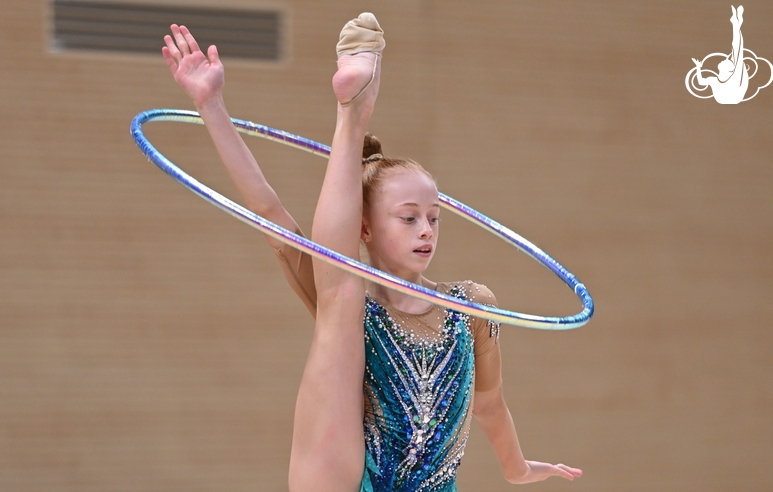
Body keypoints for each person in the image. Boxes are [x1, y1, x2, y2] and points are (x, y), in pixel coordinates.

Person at [162, 13, 582, 491]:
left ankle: (354, 106)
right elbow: (270, 215)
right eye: (409, 218)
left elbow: (489, 404)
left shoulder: (473, 305)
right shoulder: (346, 302)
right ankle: (353, 110)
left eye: (434, 217)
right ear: (363, 226)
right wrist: (211, 105)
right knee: (341, 294)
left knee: (342, 292)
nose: (426, 230)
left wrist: (518, 468)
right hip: (351, 477)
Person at [692, 5, 748, 104]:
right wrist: (698, 67)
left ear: (729, 69)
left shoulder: (732, 77)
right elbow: (701, 82)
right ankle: (736, 23)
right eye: (727, 60)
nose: (724, 59)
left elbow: (737, 49)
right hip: (730, 97)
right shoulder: (715, 80)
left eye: (727, 61)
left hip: (732, 96)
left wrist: (698, 68)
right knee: (737, 52)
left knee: (737, 51)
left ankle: (736, 23)